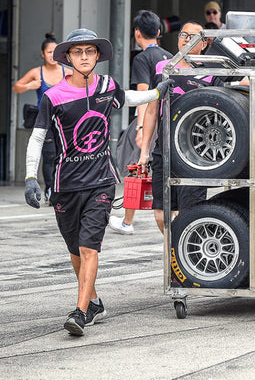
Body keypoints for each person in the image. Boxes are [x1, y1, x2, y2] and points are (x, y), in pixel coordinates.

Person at [23, 28, 173, 336]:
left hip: (101, 181)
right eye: (78, 52)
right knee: (76, 251)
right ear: (68, 57)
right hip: (65, 185)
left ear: (97, 55)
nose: (84, 57)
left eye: (89, 51)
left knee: (89, 248)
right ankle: (93, 302)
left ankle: (80, 313)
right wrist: (29, 177)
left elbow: (128, 97)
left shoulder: (107, 86)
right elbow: (38, 138)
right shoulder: (54, 97)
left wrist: (157, 93)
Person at [138, 21, 223, 233]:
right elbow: (151, 110)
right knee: (161, 212)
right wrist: (144, 151)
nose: (185, 40)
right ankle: (175, 247)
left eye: (192, 37)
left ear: (203, 44)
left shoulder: (212, 73)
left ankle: (180, 254)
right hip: (163, 151)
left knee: (189, 211)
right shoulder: (163, 68)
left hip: (195, 156)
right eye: (183, 35)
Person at [109, 10, 173, 236]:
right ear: (158, 32)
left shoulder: (142, 58)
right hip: (168, 123)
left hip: (149, 120)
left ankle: (127, 222)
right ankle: (167, 217)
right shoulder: (169, 57)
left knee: (133, 167)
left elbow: (145, 95)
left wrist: (140, 128)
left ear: (137, 33)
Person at [13, 33, 72, 205]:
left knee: (64, 156)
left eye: (55, 52)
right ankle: (49, 190)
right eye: (48, 52)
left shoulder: (67, 72)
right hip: (44, 122)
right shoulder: (36, 72)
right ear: (42, 54)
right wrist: (29, 85)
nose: (52, 56)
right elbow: (17, 87)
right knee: (49, 157)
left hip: (63, 122)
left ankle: (62, 188)